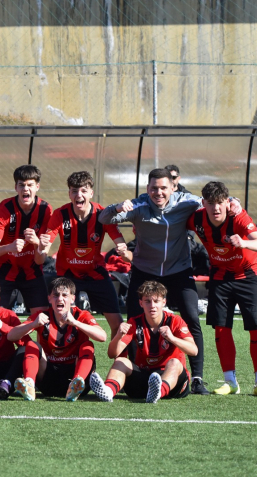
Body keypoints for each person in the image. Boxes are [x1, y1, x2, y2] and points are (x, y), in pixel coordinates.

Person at [99, 167, 215, 395]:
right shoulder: (139, 206)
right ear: (147, 189)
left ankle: (198, 379)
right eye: (154, 188)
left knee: (192, 317)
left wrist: (232, 202)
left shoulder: (186, 202)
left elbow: (211, 201)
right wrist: (118, 207)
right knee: (134, 319)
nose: (158, 192)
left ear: (173, 187)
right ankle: (131, 373)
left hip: (179, 271)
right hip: (145, 271)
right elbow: (103, 218)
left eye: (163, 188)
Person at [188, 181, 257, 396]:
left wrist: (243, 243)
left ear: (227, 202)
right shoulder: (196, 218)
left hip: (250, 273)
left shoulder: (239, 217)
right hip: (220, 275)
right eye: (211, 203)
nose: (216, 208)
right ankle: (230, 381)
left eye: (220, 202)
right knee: (221, 327)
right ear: (203, 202)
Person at [36, 171, 129, 335]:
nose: (79, 195)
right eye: (74, 191)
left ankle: (119, 360)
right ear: (69, 193)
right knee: (61, 322)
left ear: (91, 193)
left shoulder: (102, 215)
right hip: (67, 276)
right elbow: (40, 257)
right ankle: (63, 358)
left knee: (118, 325)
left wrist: (124, 252)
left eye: (84, 191)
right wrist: (40, 248)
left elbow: (124, 250)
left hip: (96, 274)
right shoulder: (60, 214)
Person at [89, 281, 197, 403]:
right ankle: (108, 392)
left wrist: (172, 338)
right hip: (145, 379)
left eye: (156, 301)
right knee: (121, 361)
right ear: (141, 303)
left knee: (174, 363)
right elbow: (112, 354)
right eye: (147, 301)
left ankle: (158, 392)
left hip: (172, 382)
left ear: (164, 302)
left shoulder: (175, 321)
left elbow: (193, 350)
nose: (152, 306)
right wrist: (119, 334)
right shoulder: (134, 322)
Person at [7, 277, 106, 402]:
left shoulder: (81, 315)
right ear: (49, 298)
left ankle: (76, 384)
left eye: (65, 295)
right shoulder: (42, 316)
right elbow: (11, 336)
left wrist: (75, 323)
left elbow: (102, 337)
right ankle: (30, 385)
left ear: (72, 299)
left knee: (88, 345)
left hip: (74, 374)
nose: (60, 299)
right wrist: (33, 324)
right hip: (49, 379)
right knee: (32, 345)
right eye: (55, 295)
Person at [0, 164, 51, 317]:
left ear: (37, 187)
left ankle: (35, 342)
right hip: (4, 270)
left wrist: (37, 243)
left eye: (30, 185)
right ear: (16, 187)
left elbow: (41, 259)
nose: (25, 189)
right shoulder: (5, 208)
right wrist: (9, 247)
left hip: (32, 271)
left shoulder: (46, 210)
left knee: (43, 319)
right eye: (21, 185)